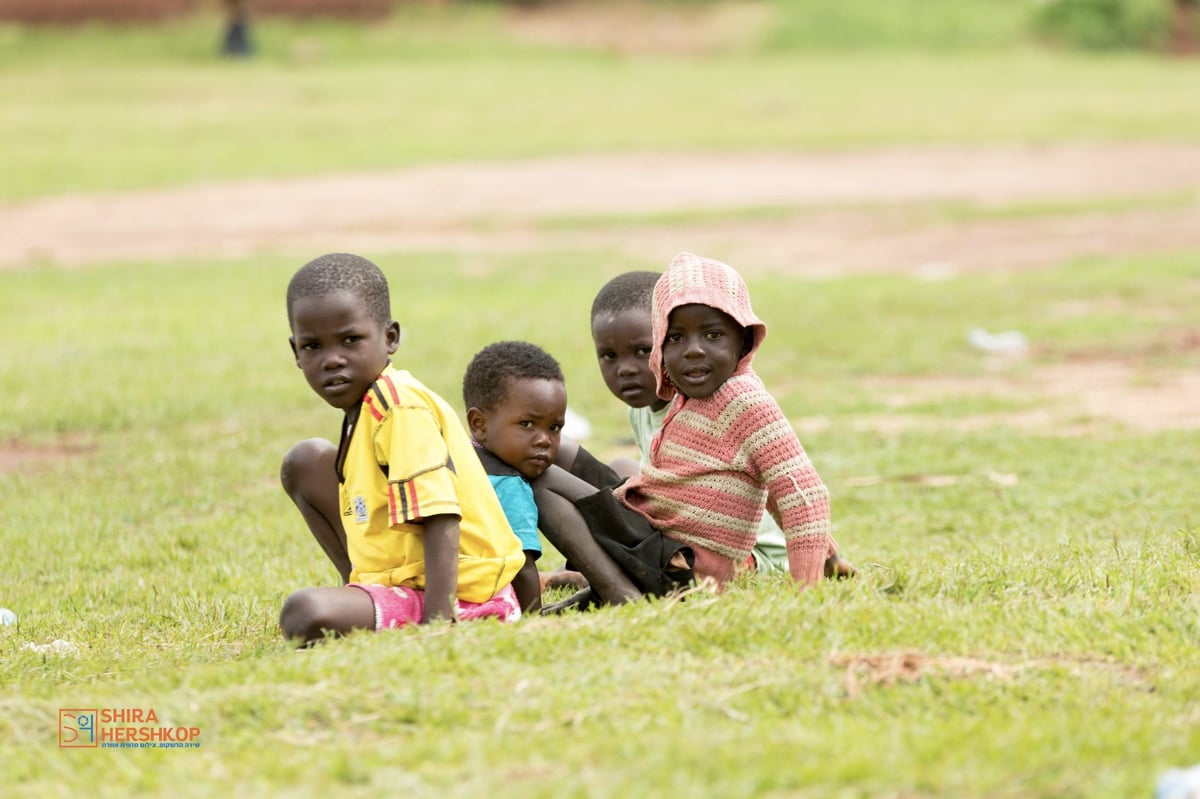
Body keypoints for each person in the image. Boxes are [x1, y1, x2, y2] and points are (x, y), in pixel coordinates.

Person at [536, 252, 839, 593]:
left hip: (701, 561)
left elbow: (801, 493)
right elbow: (770, 482)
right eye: (676, 338)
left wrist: (808, 586)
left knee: (545, 484)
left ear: (744, 339)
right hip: (672, 545)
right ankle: (595, 581)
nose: (693, 351)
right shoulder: (687, 396)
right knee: (570, 470)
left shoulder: (742, 399)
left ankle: (612, 590)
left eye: (712, 335)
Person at [277, 253, 525, 644]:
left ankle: (393, 608)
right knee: (305, 461)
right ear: (295, 352)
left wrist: (437, 623)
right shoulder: (362, 408)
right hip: (405, 578)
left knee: (303, 612)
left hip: (466, 595)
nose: (332, 360)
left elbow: (441, 515)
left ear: (390, 337)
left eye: (350, 340)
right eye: (313, 347)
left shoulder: (399, 405)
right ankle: (362, 592)